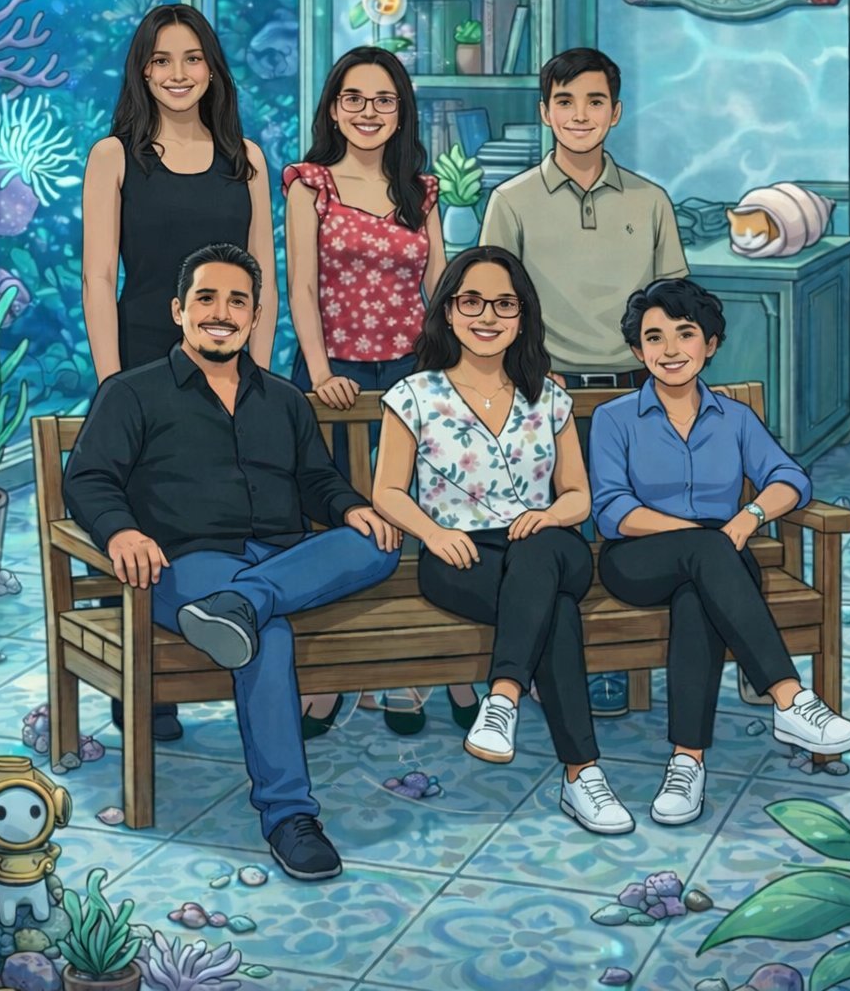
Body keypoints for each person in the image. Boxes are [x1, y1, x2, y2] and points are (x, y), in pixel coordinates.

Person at [63, 242, 401, 882]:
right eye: (206, 298)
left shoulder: (282, 399)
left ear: (254, 315)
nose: (221, 312)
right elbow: (88, 481)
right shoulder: (131, 393)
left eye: (237, 301)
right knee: (263, 637)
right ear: (178, 310)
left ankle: (245, 603)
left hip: (278, 557)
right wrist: (122, 533)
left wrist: (352, 507)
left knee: (375, 542)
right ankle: (289, 817)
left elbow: (318, 484)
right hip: (185, 566)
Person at [372, 245, 635, 836]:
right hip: (457, 552)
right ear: (447, 311)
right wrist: (433, 533)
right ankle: (582, 776)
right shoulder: (414, 395)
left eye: (504, 304)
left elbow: (577, 497)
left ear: (522, 317)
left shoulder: (548, 395)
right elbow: (386, 491)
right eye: (471, 301)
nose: (487, 316)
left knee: (541, 559)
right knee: (556, 616)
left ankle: (504, 698)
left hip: (548, 541)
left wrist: (548, 517)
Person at [590, 277, 850, 827]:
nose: (669, 350)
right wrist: (695, 535)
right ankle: (790, 699)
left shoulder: (734, 418)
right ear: (638, 350)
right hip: (636, 558)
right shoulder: (614, 418)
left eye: (684, 334)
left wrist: (748, 517)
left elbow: (789, 479)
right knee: (705, 557)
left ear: (709, 344)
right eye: (654, 338)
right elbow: (611, 508)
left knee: (699, 596)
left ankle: (686, 764)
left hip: (721, 557)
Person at [81, 3, 277, 743]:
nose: (177, 74)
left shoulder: (247, 159)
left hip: (232, 366)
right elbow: (100, 276)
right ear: (141, 70)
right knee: (140, 514)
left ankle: (229, 643)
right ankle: (144, 685)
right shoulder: (114, 156)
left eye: (192, 58)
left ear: (212, 69)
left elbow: (265, 276)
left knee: (219, 509)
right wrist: (112, 385)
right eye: (161, 60)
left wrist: (254, 377)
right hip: (137, 359)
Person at [480, 45, 689, 718]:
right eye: (564, 101)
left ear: (616, 112)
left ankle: (628, 664)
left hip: (634, 392)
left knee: (630, 531)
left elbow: (673, 307)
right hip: (546, 393)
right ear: (545, 112)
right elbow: (491, 304)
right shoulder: (510, 202)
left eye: (595, 101)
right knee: (556, 538)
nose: (580, 114)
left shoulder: (650, 200)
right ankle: (562, 664)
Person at [283, 46, 476, 737]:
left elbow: (441, 289)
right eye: (354, 99)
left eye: (383, 99)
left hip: (412, 374)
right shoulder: (310, 183)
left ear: (402, 111)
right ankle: (331, 678)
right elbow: (301, 286)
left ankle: (418, 671)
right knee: (336, 519)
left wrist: (451, 375)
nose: (368, 112)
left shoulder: (419, 190)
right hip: (332, 372)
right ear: (334, 108)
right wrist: (320, 370)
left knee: (427, 512)